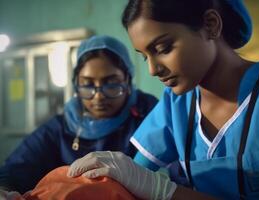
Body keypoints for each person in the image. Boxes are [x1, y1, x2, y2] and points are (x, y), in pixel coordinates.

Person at [67, 0, 259, 199]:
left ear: (211, 25)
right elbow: (128, 178)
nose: (152, 69)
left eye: (163, 48)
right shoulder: (176, 104)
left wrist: (165, 192)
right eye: (144, 56)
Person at [0, 35, 158, 198]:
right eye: (88, 84)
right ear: (76, 84)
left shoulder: (149, 116)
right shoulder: (62, 128)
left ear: (128, 81)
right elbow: (16, 168)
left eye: (111, 83)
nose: (98, 97)